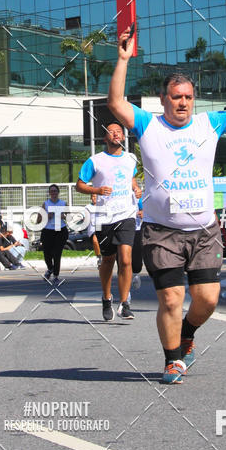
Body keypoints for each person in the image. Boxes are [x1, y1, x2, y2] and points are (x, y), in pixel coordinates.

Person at [108, 28, 226, 384]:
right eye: (176, 97)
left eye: (188, 97)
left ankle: (187, 332)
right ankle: (171, 361)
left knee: (208, 299)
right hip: (161, 231)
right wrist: (123, 59)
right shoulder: (148, 125)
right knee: (169, 298)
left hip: (204, 231)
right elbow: (116, 104)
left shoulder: (207, 124)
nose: (183, 102)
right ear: (164, 100)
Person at [76, 122, 140, 321]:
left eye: (119, 131)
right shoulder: (95, 161)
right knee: (108, 260)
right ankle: (106, 298)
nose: (116, 134)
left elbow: (131, 179)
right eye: (111, 131)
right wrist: (96, 190)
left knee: (126, 258)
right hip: (104, 215)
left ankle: (125, 304)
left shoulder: (131, 158)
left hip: (126, 213)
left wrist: (136, 189)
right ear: (105, 138)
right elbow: (79, 185)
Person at [40, 184, 68, 283]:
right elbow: (38, 219)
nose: (53, 193)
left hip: (60, 230)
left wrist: (63, 216)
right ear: (49, 193)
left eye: (55, 191)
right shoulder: (46, 204)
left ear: (58, 192)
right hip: (48, 230)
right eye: (51, 191)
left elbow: (69, 217)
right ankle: (50, 268)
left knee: (57, 253)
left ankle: (56, 274)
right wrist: (47, 215)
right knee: (47, 253)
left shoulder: (63, 203)